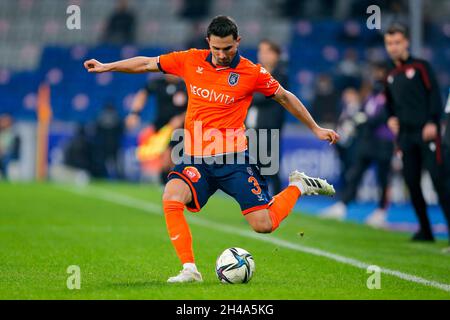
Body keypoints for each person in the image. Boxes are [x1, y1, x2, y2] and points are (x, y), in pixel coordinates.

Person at [84, 16, 339, 283]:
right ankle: (189, 270)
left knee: (264, 225)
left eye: (227, 48)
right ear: (208, 42)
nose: (221, 54)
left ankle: (298, 184)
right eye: (216, 48)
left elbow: (285, 96)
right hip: (195, 158)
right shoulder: (191, 59)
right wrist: (107, 66)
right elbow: (147, 63)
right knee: (171, 197)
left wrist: (315, 128)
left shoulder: (252, 73)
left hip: (233, 159)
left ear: (237, 42)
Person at [384, 23, 450, 243]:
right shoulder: (390, 74)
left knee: (440, 182)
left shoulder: (421, 66)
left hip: (427, 133)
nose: (393, 47)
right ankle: (425, 231)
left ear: (406, 43)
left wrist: (433, 121)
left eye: (397, 42)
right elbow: (390, 106)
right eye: (389, 43)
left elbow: (435, 95)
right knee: (411, 183)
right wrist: (391, 119)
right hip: (406, 137)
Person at [321, 63, 395, 227]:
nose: (377, 77)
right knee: (355, 174)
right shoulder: (371, 95)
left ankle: (382, 211)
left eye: (380, 73)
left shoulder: (390, 95)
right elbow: (362, 112)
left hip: (384, 141)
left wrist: (364, 120)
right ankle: (343, 205)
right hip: (368, 141)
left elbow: (381, 116)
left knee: (383, 177)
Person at [126, 74, 187, 184]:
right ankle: (166, 186)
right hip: (160, 128)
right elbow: (143, 93)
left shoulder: (186, 85)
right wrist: (134, 113)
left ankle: (170, 186)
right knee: (164, 161)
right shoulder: (158, 83)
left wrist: (181, 117)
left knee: (169, 159)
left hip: (179, 129)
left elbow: (195, 105)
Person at [246, 39, 288, 195]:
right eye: (260, 51)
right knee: (253, 168)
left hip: (270, 129)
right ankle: (258, 204)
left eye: (265, 51)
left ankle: (277, 205)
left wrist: (247, 94)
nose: (261, 55)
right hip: (252, 129)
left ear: (275, 55)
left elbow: (266, 95)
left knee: (271, 169)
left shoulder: (280, 75)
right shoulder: (256, 72)